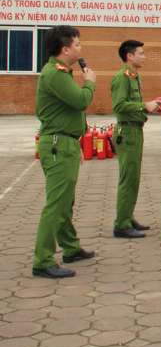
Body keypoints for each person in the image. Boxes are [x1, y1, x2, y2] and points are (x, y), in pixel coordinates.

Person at [32, 26, 97, 278]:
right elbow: (80, 101)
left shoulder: (63, 73)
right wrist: (90, 83)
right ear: (65, 49)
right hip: (59, 144)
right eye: (78, 45)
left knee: (64, 201)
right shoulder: (56, 74)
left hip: (66, 142)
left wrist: (76, 142)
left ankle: (70, 247)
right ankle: (42, 260)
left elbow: (69, 112)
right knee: (56, 203)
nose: (81, 49)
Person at [111, 40, 161, 239]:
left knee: (133, 178)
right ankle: (121, 224)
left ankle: (127, 216)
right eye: (140, 53)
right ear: (129, 56)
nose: (144, 56)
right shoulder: (122, 78)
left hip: (135, 131)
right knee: (128, 178)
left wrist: (151, 105)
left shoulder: (134, 77)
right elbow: (118, 106)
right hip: (126, 133)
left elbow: (134, 104)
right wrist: (145, 105)